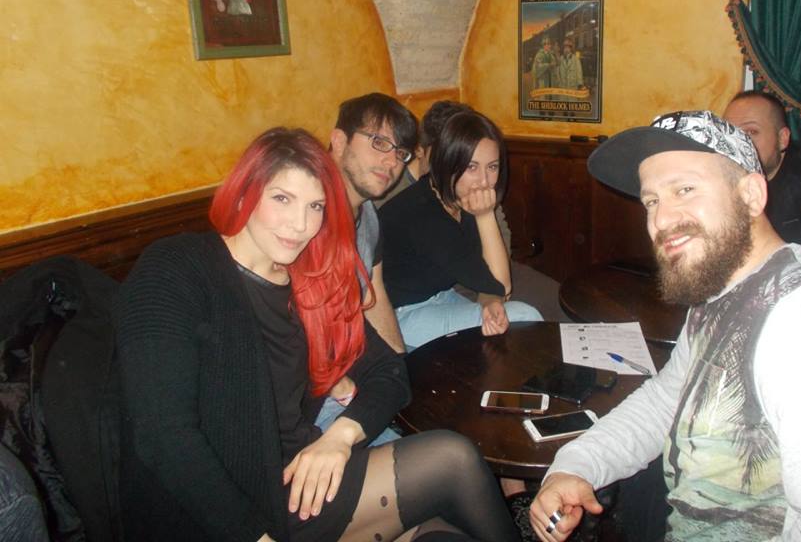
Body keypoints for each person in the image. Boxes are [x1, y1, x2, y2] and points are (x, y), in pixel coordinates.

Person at [113, 127, 519, 542]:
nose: (301, 225)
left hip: (304, 477)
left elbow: (389, 373)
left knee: (444, 533)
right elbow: (163, 435)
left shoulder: (307, 280)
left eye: (316, 206)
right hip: (217, 509)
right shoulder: (177, 268)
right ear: (243, 192)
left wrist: (339, 438)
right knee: (452, 459)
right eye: (282, 199)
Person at [530, 110, 801, 541]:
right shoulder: (721, 288)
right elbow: (667, 399)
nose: (661, 220)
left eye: (685, 189)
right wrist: (576, 465)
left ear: (751, 194)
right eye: (652, 201)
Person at [380, 110, 543, 349]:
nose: (484, 181)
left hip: (440, 298)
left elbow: (492, 287)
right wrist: (485, 215)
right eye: (472, 167)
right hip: (401, 315)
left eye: (492, 167)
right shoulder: (423, 212)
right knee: (523, 317)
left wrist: (490, 302)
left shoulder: (457, 198)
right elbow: (501, 286)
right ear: (448, 163)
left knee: (506, 326)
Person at [329, 92, 419, 354]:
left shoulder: (368, 213)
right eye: (379, 142)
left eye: (401, 153)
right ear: (339, 141)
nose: (392, 162)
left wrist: (399, 363)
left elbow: (373, 296)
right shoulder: (304, 217)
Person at [723, 90, 801, 244]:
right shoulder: (720, 177)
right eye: (730, 133)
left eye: (751, 132)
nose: (738, 143)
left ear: (782, 139)